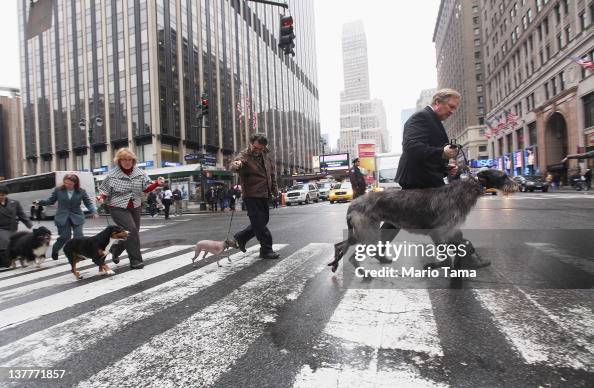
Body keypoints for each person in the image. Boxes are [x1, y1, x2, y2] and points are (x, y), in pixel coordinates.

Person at [385, 88, 489, 268]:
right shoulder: (421, 118)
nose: (452, 111)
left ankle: (373, 247)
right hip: (420, 180)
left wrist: (445, 167)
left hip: (423, 178)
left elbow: (427, 153)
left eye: (455, 108)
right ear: (438, 102)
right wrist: (441, 152)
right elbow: (412, 147)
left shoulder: (433, 121)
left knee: (403, 216)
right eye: (451, 106)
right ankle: (465, 256)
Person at [97, 148, 164, 269]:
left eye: (130, 160)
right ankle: (136, 260)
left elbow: (146, 188)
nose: (127, 162)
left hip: (135, 206)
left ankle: (116, 249)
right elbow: (104, 190)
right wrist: (101, 197)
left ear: (133, 161)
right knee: (131, 231)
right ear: (119, 161)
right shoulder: (112, 175)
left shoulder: (140, 173)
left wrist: (156, 183)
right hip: (118, 207)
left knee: (132, 232)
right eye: (124, 160)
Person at [230, 133, 279, 260]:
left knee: (262, 221)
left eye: (261, 148)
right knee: (260, 224)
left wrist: (275, 191)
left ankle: (240, 237)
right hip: (251, 194)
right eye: (256, 148)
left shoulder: (266, 156)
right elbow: (236, 163)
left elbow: (271, 175)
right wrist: (237, 165)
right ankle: (266, 250)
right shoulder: (245, 154)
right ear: (251, 144)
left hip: (264, 193)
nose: (258, 150)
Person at [36, 173, 99, 261]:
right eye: (65, 183)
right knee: (64, 237)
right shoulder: (58, 190)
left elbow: (88, 203)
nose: (67, 185)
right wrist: (40, 202)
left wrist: (94, 212)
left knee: (79, 236)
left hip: (77, 216)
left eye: (69, 184)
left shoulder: (81, 191)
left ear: (75, 183)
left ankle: (78, 254)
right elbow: (51, 200)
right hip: (62, 217)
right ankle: (55, 249)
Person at [0, 185, 33, 267]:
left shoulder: (15, 203)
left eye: (3, 195)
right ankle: (9, 260)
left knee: (16, 244)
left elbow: (21, 214)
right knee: (6, 242)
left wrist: (28, 224)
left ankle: (16, 259)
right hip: (1, 228)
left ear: (6, 194)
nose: (1, 196)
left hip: (12, 227)